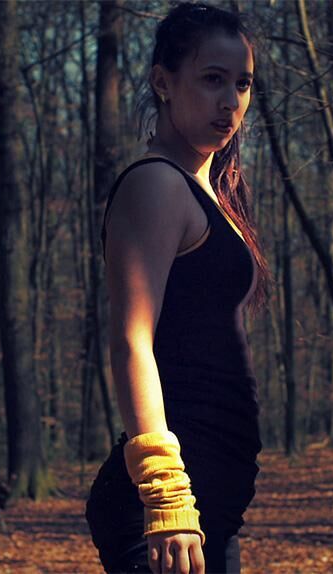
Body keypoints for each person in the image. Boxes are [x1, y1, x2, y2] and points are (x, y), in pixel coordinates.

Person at [85, 3, 272, 573]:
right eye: (212, 79)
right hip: (167, 515)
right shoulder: (156, 185)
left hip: (209, 510)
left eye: (242, 84)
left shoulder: (207, 192)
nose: (230, 101)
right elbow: (131, 340)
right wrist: (165, 492)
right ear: (163, 82)